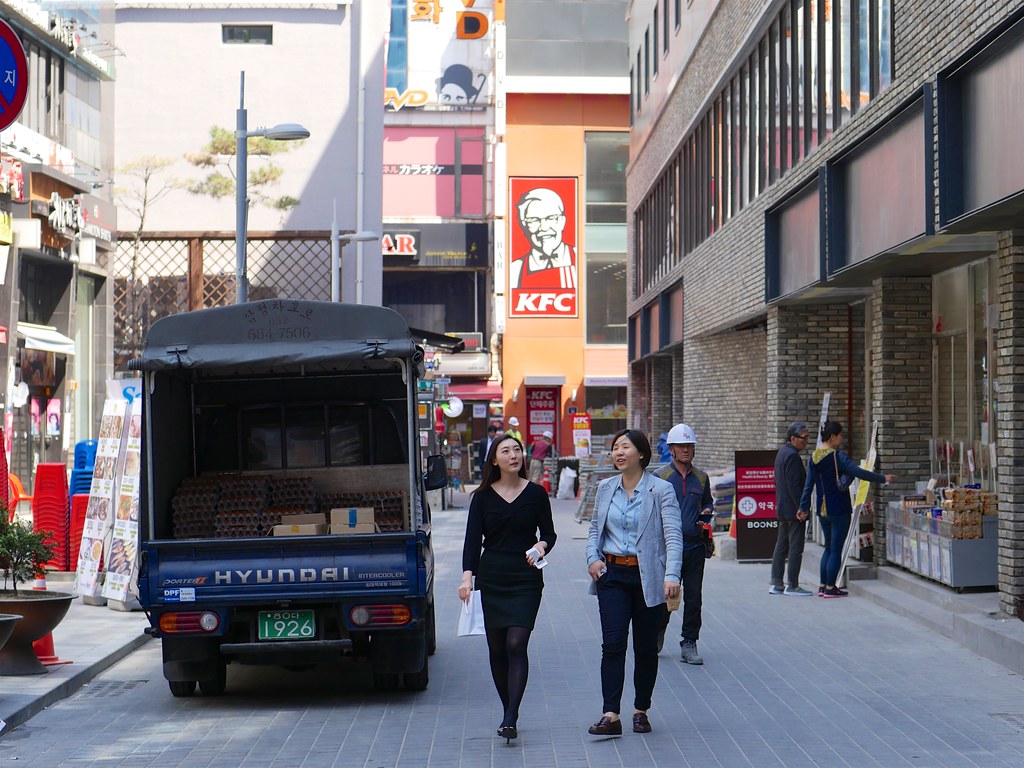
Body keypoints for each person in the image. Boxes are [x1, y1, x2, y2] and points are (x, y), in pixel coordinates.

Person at [459, 434, 557, 742]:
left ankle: (511, 716)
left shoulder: (536, 494)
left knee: (516, 644)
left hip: (526, 578)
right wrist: (467, 578)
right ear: (494, 460)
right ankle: (507, 711)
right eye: (506, 451)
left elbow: (550, 534)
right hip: (492, 578)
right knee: (497, 649)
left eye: (517, 450)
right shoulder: (482, 498)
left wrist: (541, 545)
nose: (513, 455)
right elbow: (472, 542)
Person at [585, 429, 682, 736]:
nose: (618, 452)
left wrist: (672, 575)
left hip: (648, 577)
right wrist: (592, 558)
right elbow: (594, 529)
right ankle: (610, 714)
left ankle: (641, 710)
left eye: (625, 447)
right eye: (615, 447)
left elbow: (673, 535)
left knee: (645, 647)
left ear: (641, 453)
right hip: (612, 575)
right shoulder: (605, 488)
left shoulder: (661, 490)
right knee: (613, 644)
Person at [798, 420, 895, 598]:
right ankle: (830, 588)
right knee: (836, 549)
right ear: (832, 436)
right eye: (840, 435)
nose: (842, 438)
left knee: (828, 548)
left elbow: (808, 485)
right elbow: (859, 472)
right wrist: (883, 478)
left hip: (822, 509)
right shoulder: (837, 456)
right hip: (839, 508)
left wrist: (803, 507)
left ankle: (822, 586)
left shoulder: (814, 457)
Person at [655, 423, 713, 665]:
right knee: (666, 595)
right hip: (668, 548)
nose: (686, 450)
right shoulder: (660, 477)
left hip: (694, 546)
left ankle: (689, 641)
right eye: (681, 446)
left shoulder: (702, 478)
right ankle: (657, 631)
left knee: (694, 597)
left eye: (689, 445)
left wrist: (706, 514)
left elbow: (708, 503)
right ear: (671, 449)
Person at [770, 422, 813, 596]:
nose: (806, 441)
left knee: (781, 546)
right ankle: (793, 585)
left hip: (783, 508)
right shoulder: (793, 457)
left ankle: (777, 583)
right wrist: (801, 508)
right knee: (795, 547)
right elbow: (795, 486)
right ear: (793, 438)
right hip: (794, 511)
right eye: (804, 438)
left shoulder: (782, 453)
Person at [510, 187, 577, 290]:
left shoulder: (580, 258)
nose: (544, 227)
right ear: (524, 225)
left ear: (562, 221)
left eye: (551, 218)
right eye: (534, 220)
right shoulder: (514, 270)